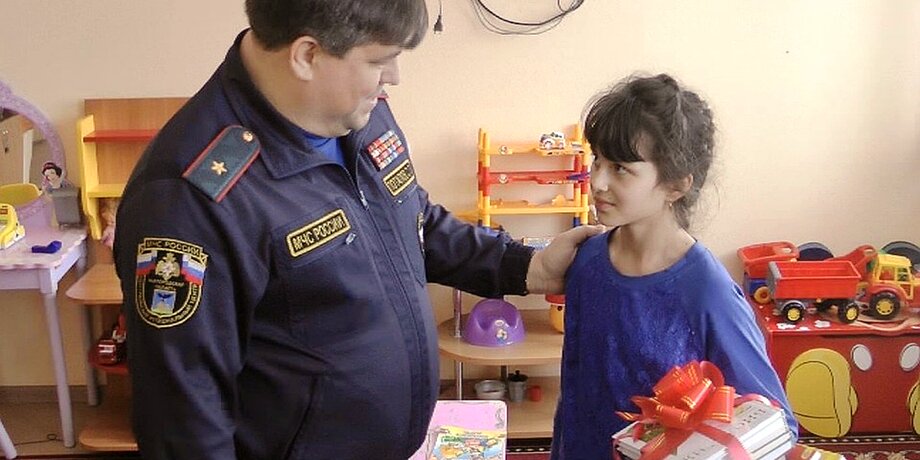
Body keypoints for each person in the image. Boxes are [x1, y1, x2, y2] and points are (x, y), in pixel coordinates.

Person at [112, 1, 603, 459]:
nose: (394, 77)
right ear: (307, 55)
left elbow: (411, 221)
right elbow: (184, 416)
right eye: (380, 60)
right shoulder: (188, 197)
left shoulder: (357, 109)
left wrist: (529, 267)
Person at [550, 74, 797, 459]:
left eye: (620, 168)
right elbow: (575, 392)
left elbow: (774, 422)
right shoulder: (587, 260)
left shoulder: (706, 290)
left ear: (676, 186)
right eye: (597, 159)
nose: (597, 181)